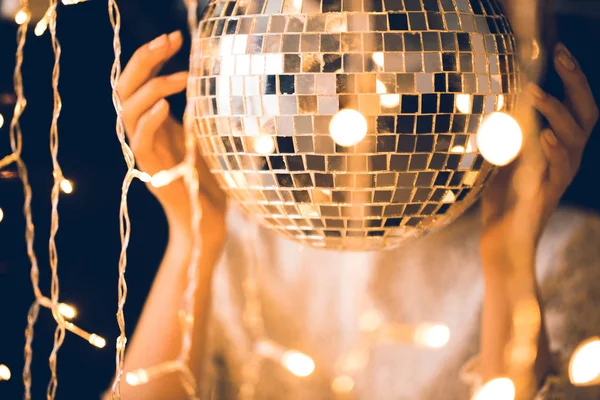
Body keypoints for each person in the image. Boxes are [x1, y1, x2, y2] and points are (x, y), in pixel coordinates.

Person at [109, 27, 599, 400]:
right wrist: (193, 236)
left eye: (405, 62)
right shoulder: (244, 236)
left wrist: (508, 260)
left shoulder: (569, 250)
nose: (361, 99)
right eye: (328, 59)